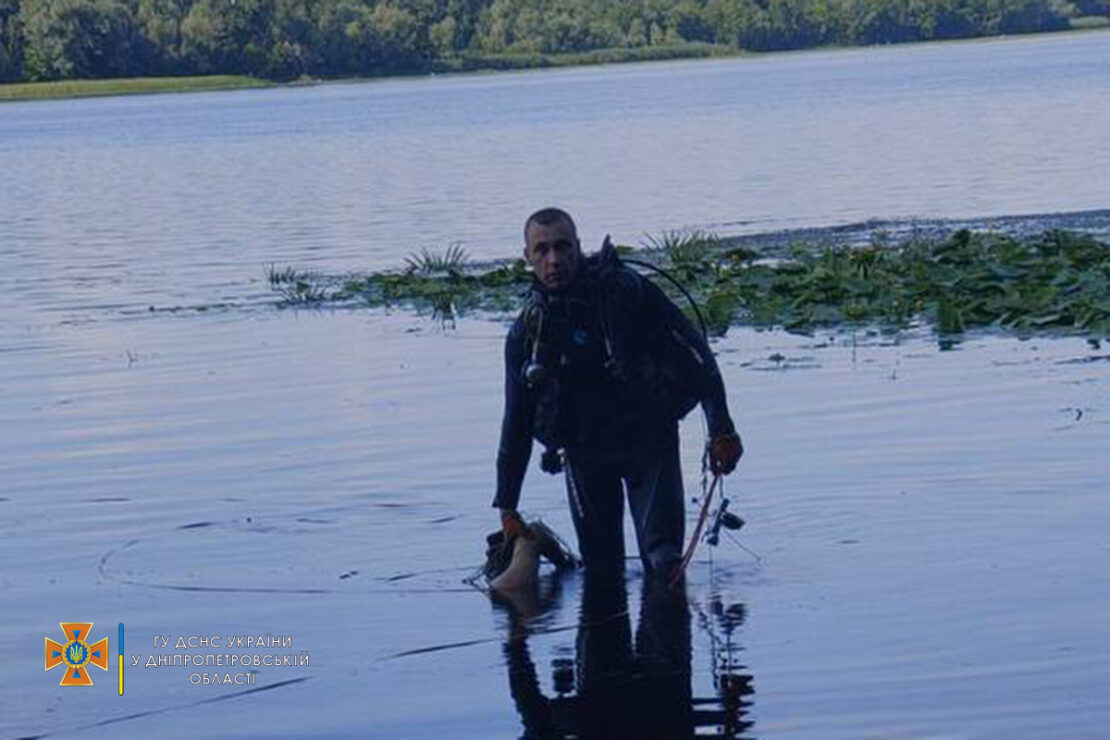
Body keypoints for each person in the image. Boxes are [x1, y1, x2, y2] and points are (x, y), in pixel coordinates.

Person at [492, 207, 743, 577]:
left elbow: (697, 356)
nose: (554, 259)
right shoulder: (527, 334)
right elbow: (516, 423)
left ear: (578, 247)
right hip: (583, 453)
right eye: (542, 250)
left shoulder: (627, 293)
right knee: (601, 572)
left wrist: (722, 429)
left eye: (562, 247)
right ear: (527, 257)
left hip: (649, 441)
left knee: (664, 562)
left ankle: (668, 627)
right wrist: (508, 506)